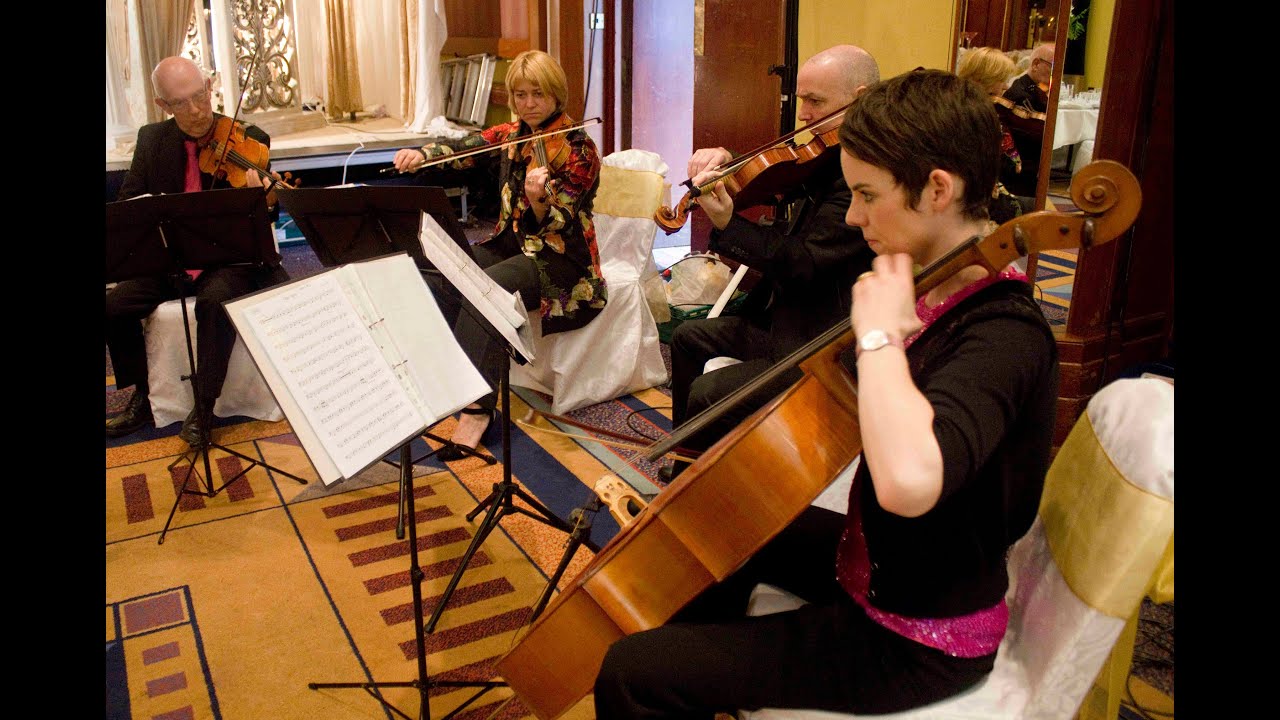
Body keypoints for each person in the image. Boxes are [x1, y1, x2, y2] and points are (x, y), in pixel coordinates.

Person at [593, 68, 1060, 718]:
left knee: (631, 673)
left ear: (938, 189)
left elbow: (910, 481)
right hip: (886, 560)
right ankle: (705, 666)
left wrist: (879, 343)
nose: (858, 215)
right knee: (728, 523)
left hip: (917, 634)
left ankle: (682, 674)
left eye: (868, 194)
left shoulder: (1004, 331)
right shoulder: (926, 282)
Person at [664, 44, 879, 481]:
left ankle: (712, 479)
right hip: (783, 320)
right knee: (688, 337)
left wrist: (728, 223)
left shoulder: (864, 178)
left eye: (815, 102)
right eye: (802, 100)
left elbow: (804, 263)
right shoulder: (827, 156)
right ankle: (688, 461)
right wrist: (728, 162)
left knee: (710, 391)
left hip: (820, 344)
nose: (803, 115)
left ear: (859, 98)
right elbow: (777, 180)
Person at [391, 50, 605, 458]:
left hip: (562, 260)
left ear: (557, 95)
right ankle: (452, 380)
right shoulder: (512, 134)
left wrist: (538, 199)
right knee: (446, 270)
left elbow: (557, 223)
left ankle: (477, 409)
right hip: (513, 244)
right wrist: (423, 155)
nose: (528, 104)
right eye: (520, 95)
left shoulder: (579, 150)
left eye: (538, 95)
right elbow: (466, 147)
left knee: (486, 288)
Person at [106, 56, 290, 445]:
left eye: (200, 96)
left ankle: (204, 407)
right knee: (115, 306)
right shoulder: (152, 140)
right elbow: (129, 204)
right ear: (162, 106)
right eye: (180, 103)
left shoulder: (249, 137)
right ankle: (143, 393)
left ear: (209, 87)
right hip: (172, 258)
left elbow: (263, 222)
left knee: (214, 302)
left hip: (227, 260)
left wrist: (263, 200)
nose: (195, 110)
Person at [957, 46, 1036, 217]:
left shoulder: (965, 105)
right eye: (1001, 79)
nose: (1007, 85)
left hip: (978, 191)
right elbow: (1008, 166)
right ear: (984, 80)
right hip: (981, 200)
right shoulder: (979, 115)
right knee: (1042, 210)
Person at [1000, 42, 1054, 198]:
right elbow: (1039, 135)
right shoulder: (1020, 94)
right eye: (1052, 66)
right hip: (1020, 174)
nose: (1055, 74)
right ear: (1036, 64)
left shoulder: (1034, 89)